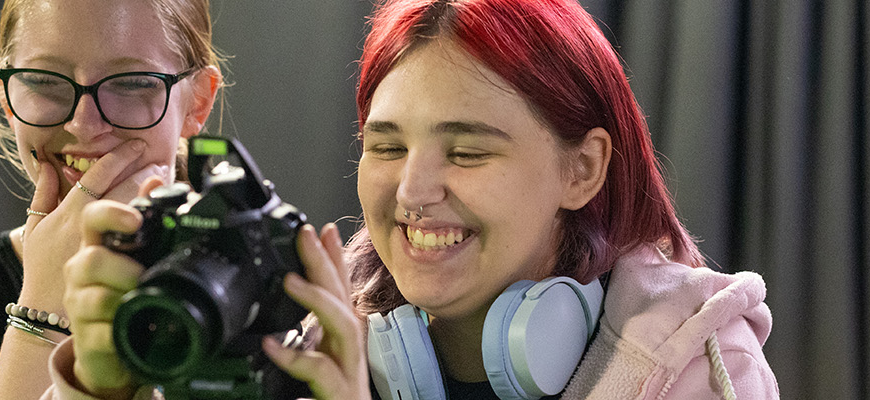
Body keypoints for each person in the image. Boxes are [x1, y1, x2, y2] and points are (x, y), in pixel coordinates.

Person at [47, 0, 780, 399]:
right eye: (388, 146)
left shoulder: (694, 367)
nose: (413, 192)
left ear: (582, 169)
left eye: (468, 151)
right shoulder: (300, 339)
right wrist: (97, 390)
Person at [0, 0, 222, 398]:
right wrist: (42, 309)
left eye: (131, 83)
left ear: (198, 102)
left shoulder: (267, 285)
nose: (84, 125)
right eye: (45, 81)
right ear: (5, 93)